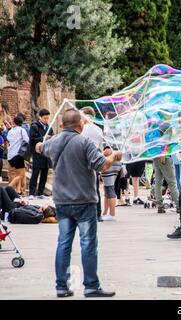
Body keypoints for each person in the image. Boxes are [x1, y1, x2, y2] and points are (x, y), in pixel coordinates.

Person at [36, 108, 121, 298]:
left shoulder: (54, 141)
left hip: (62, 202)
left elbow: (40, 148)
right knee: (88, 243)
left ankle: (61, 287)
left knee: (64, 243)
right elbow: (102, 165)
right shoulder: (84, 142)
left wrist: (40, 145)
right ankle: (91, 286)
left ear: (62, 124)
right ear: (80, 124)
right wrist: (113, 156)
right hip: (84, 201)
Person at [80, 107, 105, 222]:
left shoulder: (82, 129)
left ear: (86, 116)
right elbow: (100, 147)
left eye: (81, 115)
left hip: (83, 161)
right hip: (95, 160)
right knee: (95, 188)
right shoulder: (98, 130)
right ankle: (98, 213)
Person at [29, 109, 54, 200]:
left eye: (48, 118)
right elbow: (32, 139)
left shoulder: (49, 126)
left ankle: (40, 192)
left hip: (46, 153)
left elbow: (52, 136)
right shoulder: (34, 126)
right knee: (35, 173)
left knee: (44, 173)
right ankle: (31, 193)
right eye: (45, 118)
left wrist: (51, 138)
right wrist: (43, 138)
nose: (46, 120)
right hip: (37, 153)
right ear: (40, 117)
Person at [6, 116, 29, 193]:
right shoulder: (22, 130)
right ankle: (8, 189)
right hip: (18, 155)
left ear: (14, 122)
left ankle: (17, 191)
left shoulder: (10, 131)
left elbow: (8, 139)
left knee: (14, 174)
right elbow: (27, 140)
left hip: (10, 156)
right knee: (21, 175)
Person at [101, 147, 122, 221]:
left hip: (110, 167)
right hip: (115, 166)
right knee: (107, 191)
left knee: (110, 190)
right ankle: (106, 213)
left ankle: (112, 214)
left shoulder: (109, 148)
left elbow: (107, 152)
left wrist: (102, 153)